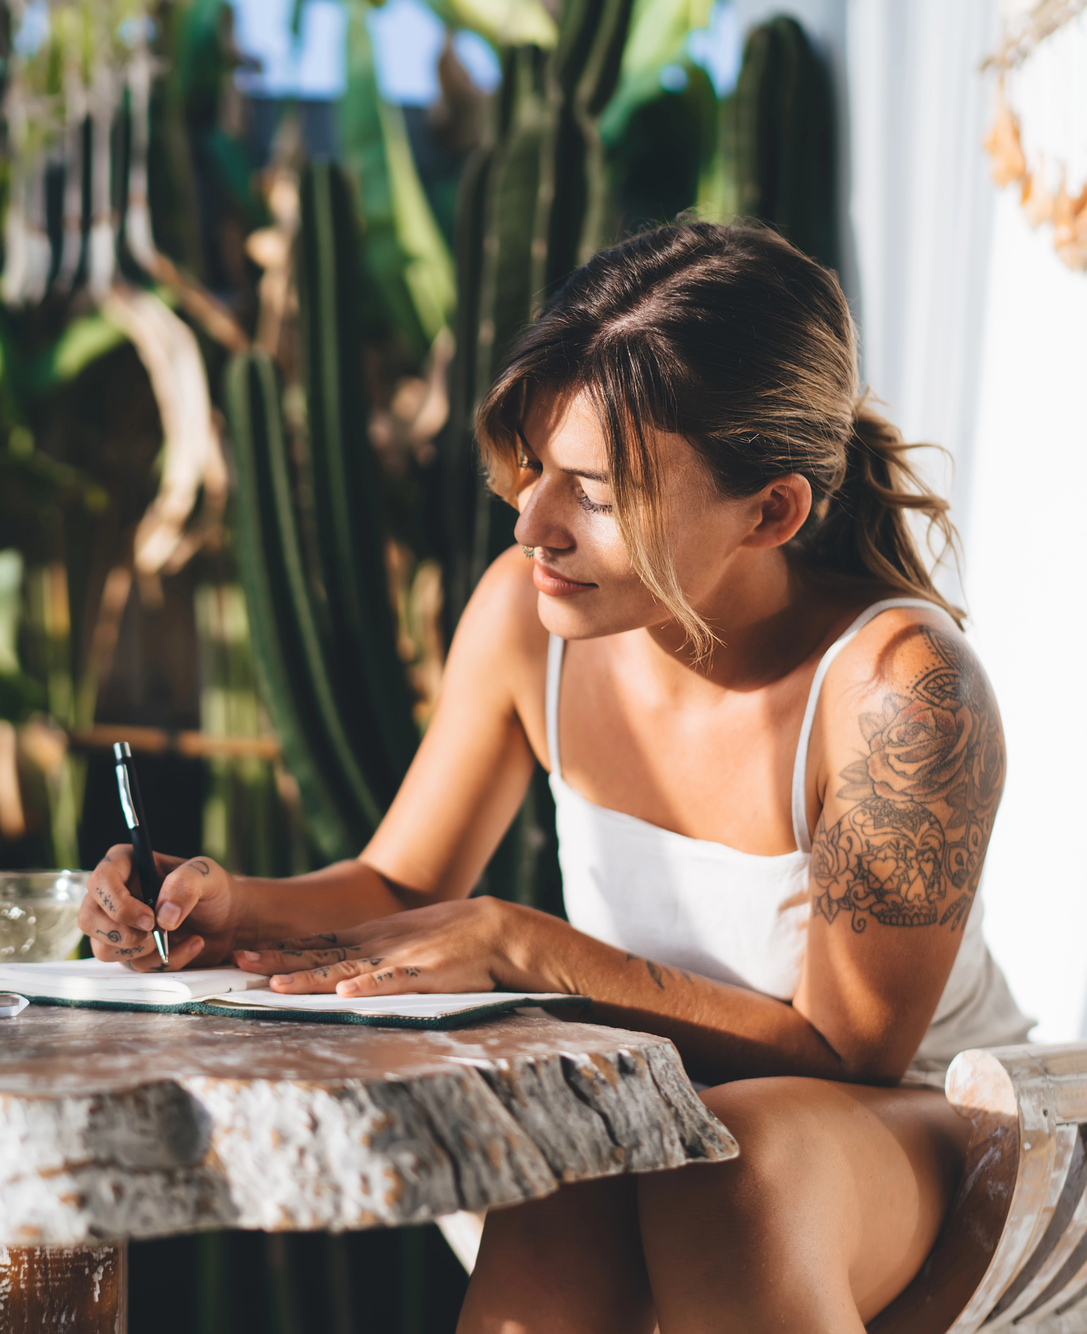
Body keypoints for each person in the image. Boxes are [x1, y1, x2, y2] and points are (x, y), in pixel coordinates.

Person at [77, 221, 1032, 1333]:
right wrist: (229, 909)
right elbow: (397, 882)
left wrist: (531, 950)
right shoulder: (529, 624)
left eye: (592, 487)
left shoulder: (899, 695)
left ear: (768, 510)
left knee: (723, 1165)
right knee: (574, 1162)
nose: (530, 520)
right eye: (533, 466)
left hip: (918, 1126)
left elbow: (847, 1050)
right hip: (670, 1110)